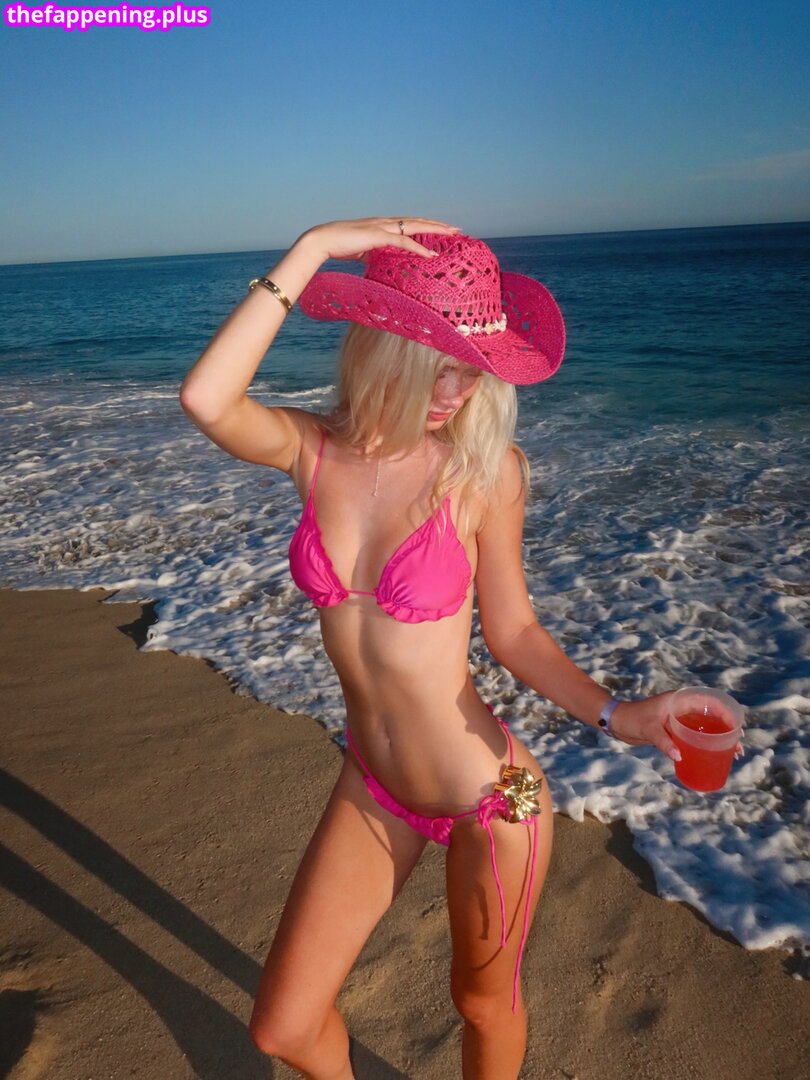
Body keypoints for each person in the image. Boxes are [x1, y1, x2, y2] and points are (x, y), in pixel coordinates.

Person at [179, 217, 681, 1080]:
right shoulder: (312, 450)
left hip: (494, 799)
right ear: (384, 348)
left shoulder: (484, 472)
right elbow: (206, 399)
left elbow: (514, 632)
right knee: (282, 1028)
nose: (458, 388)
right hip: (372, 780)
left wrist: (620, 715)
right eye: (437, 362)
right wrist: (313, 249)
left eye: (472, 365)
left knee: (483, 1004)